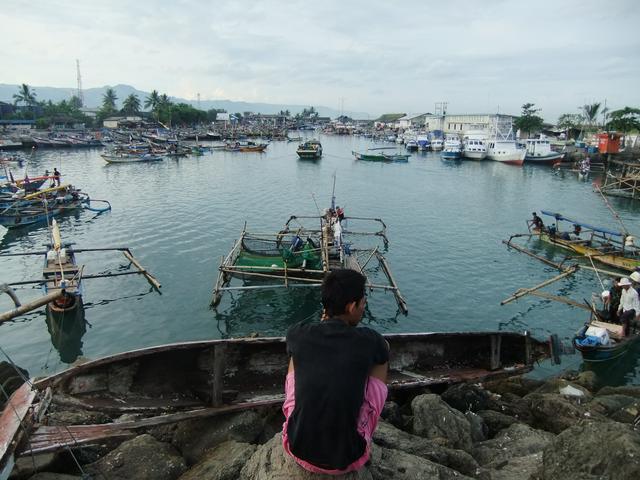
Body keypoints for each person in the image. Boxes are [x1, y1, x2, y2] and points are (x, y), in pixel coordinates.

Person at [282, 269, 389, 474]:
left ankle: (295, 416)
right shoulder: (370, 340)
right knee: (382, 356)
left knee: (297, 354)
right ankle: (364, 421)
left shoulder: (297, 333)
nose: (363, 309)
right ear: (351, 306)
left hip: (297, 447)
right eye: (363, 304)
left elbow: (298, 346)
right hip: (349, 457)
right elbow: (383, 351)